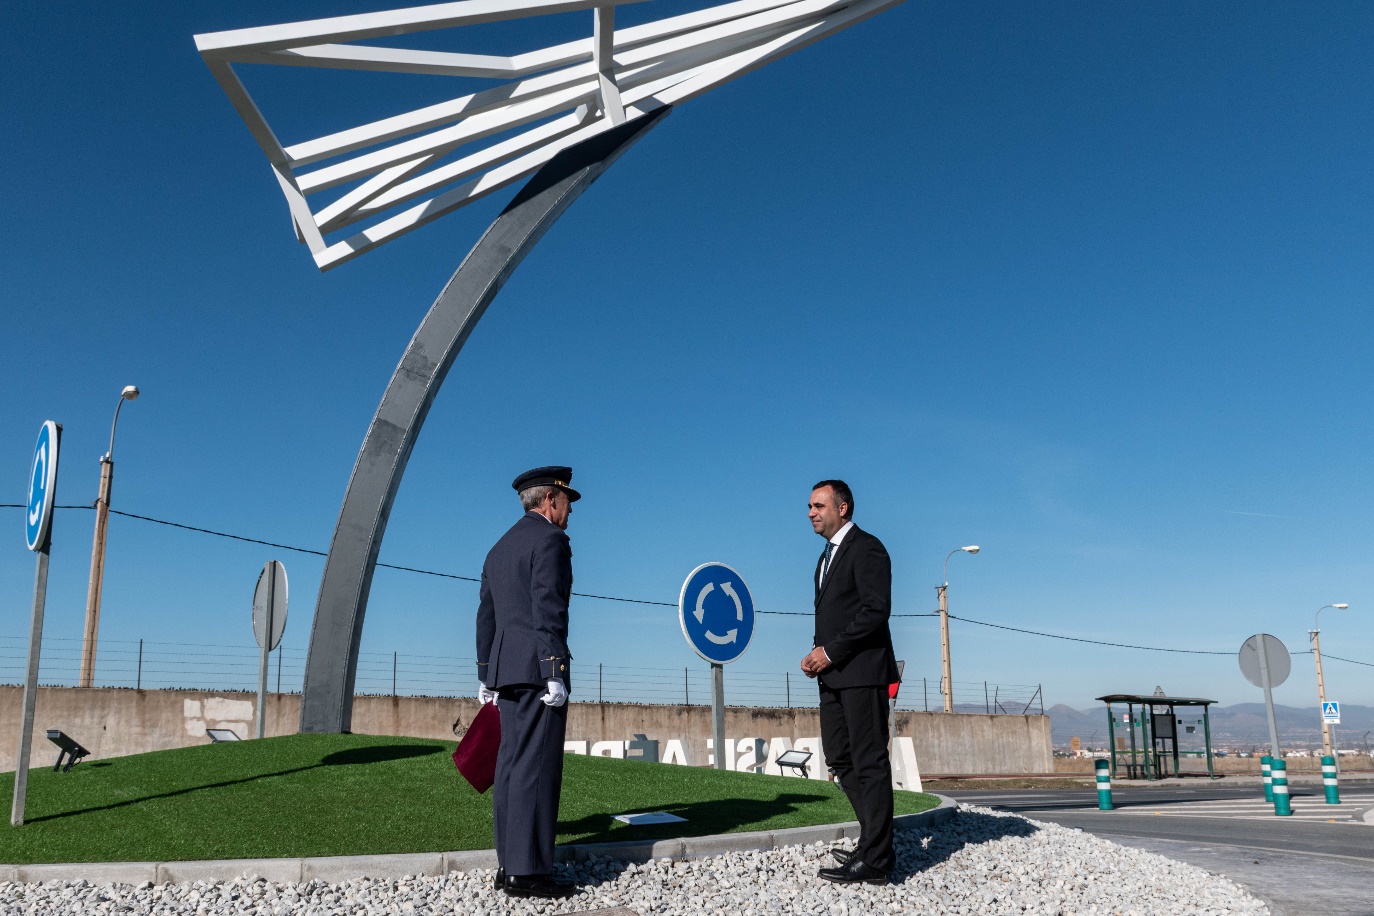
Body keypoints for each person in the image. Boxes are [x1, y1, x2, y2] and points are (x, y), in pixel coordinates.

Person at [475, 466, 579, 899]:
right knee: (537, 768)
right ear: (550, 499)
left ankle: (507, 866)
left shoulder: (500, 547)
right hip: (537, 670)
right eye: (568, 499)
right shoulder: (549, 540)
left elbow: (486, 615)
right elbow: (548, 609)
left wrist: (485, 674)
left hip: (505, 670)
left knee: (511, 768)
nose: (570, 508)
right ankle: (529, 872)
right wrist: (554, 670)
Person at [800, 479, 899, 885]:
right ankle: (874, 841)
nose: (811, 512)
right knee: (839, 758)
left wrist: (831, 651)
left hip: (862, 673)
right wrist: (817, 654)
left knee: (870, 762)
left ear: (843, 508)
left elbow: (876, 610)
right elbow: (837, 615)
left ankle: (877, 859)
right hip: (833, 676)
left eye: (819, 505)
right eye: (809, 506)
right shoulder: (824, 559)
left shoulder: (868, 548)